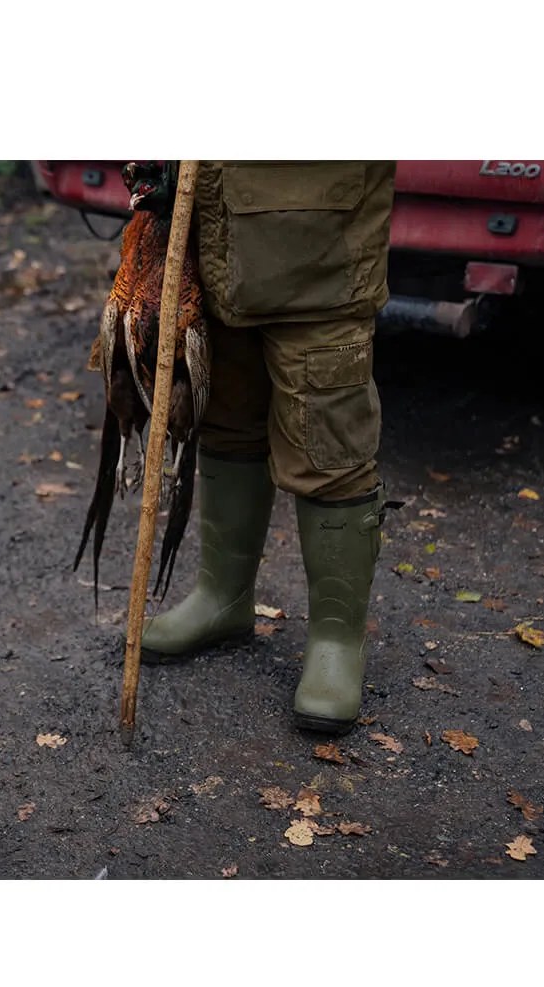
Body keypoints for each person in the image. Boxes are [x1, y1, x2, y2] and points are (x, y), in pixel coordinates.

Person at [141, 161, 397, 734]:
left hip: (321, 258)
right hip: (213, 244)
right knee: (227, 423)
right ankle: (223, 598)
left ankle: (335, 640)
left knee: (330, 452)